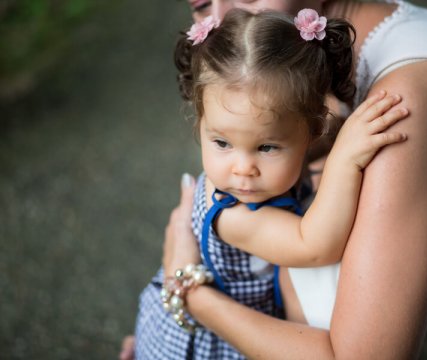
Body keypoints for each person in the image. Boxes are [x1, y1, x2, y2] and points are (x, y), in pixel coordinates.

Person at [121, 1, 427, 359]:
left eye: (265, 147)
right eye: (199, 5)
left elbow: (319, 250)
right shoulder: (399, 28)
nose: (225, 16)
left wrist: (184, 290)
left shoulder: (400, 105)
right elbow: (312, 236)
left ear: (315, 127)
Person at [133, 8, 408, 360]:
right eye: (221, 143)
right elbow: (315, 245)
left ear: (311, 132)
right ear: (200, 123)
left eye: (266, 147)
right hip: (207, 348)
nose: (243, 167)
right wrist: (344, 159)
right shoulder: (232, 215)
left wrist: (346, 129)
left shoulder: (279, 152)